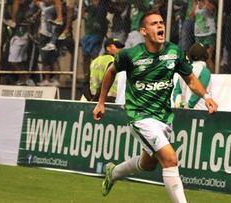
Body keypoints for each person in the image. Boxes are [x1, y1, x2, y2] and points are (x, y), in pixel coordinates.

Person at [93, 10, 218, 203]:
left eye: (161, 22)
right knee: (170, 159)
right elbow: (111, 72)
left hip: (163, 117)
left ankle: (114, 171)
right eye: (154, 24)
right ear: (143, 31)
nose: (160, 26)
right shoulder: (130, 55)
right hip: (140, 116)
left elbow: (191, 79)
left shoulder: (174, 52)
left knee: (148, 164)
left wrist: (206, 96)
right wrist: (101, 102)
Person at [173, 43, 212, 109]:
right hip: (199, 111)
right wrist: (189, 105)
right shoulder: (205, 71)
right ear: (205, 55)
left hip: (183, 111)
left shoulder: (185, 69)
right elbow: (200, 90)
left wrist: (178, 105)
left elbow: (177, 90)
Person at [89, 38, 124, 102]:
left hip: (94, 97)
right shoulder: (112, 61)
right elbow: (105, 82)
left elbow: (86, 83)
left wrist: (91, 100)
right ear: (108, 48)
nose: (120, 49)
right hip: (108, 98)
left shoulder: (95, 61)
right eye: (117, 47)